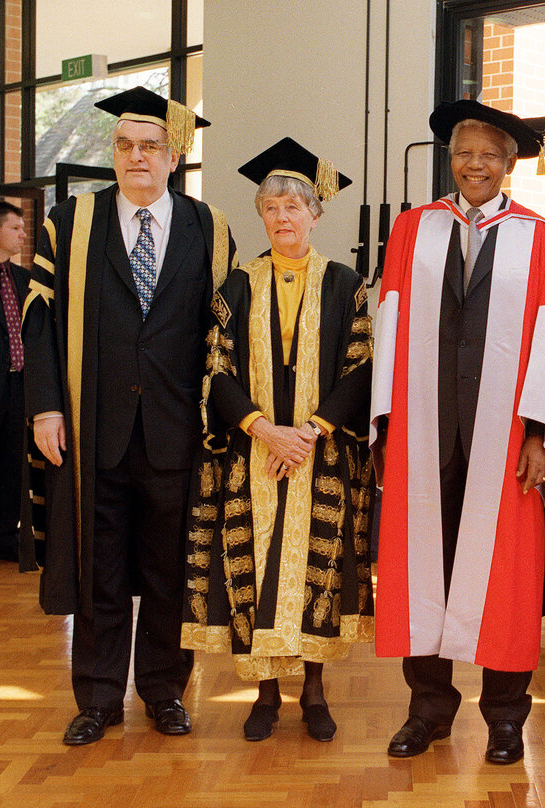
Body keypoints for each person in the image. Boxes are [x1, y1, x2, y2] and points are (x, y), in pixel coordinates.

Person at [370, 99, 545, 765]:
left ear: (508, 165)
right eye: (466, 152)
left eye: (490, 155)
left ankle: (503, 718)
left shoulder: (542, 237)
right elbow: (388, 326)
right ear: (451, 158)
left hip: (506, 439)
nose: (476, 164)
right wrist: (384, 424)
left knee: (508, 575)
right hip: (423, 427)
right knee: (421, 564)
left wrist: (540, 436)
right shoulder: (413, 230)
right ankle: (428, 711)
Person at [21, 86, 236, 745]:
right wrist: (45, 407)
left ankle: (165, 691)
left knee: (171, 571)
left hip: (179, 430)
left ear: (174, 158)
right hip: (92, 428)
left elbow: (225, 331)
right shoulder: (71, 221)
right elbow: (38, 317)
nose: (135, 156)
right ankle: (98, 697)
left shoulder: (209, 226)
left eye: (150, 147)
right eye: (124, 145)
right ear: (111, 154)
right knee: (100, 568)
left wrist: (225, 419)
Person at [181, 138, 374, 743]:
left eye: (295, 207)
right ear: (261, 216)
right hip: (253, 450)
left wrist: (312, 431)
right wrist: (264, 429)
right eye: (271, 208)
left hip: (322, 452)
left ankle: (314, 692)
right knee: (255, 569)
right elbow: (216, 369)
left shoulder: (346, 285)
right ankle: (263, 695)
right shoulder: (236, 287)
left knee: (318, 569)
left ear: (316, 215)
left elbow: (362, 365)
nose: (283, 217)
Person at [0, 200, 28, 563]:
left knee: (11, 467)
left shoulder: (21, 278)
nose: (23, 235)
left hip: (17, 388)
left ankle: (2, 539)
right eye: (16, 228)